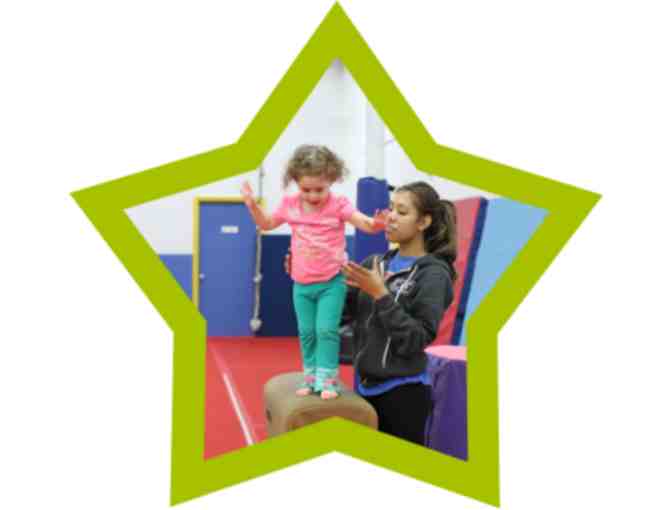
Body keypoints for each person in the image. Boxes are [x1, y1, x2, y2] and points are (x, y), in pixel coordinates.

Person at [241, 144, 387, 400]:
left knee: (326, 331)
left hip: (332, 281)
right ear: (296, 182)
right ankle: (310, 377)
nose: (312, 195)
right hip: (301, 283)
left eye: (319, 189)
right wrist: (253, 206)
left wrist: (376, 224)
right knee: (307, 333)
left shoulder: (338, 205)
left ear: (331, 179)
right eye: (305, 189)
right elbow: (267, 223)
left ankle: (327, 379)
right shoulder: (290, 204)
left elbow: (363, 223)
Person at [339, 181, 457, 445]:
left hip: (403, 395)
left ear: (423, 222)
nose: (391, 216)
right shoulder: (375, 264)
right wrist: (311, 279)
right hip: (363, 388)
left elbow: (417, 339)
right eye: (391, 208)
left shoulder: (433, 274)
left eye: (402, 212)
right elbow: (342, 318)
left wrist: (381, 295)